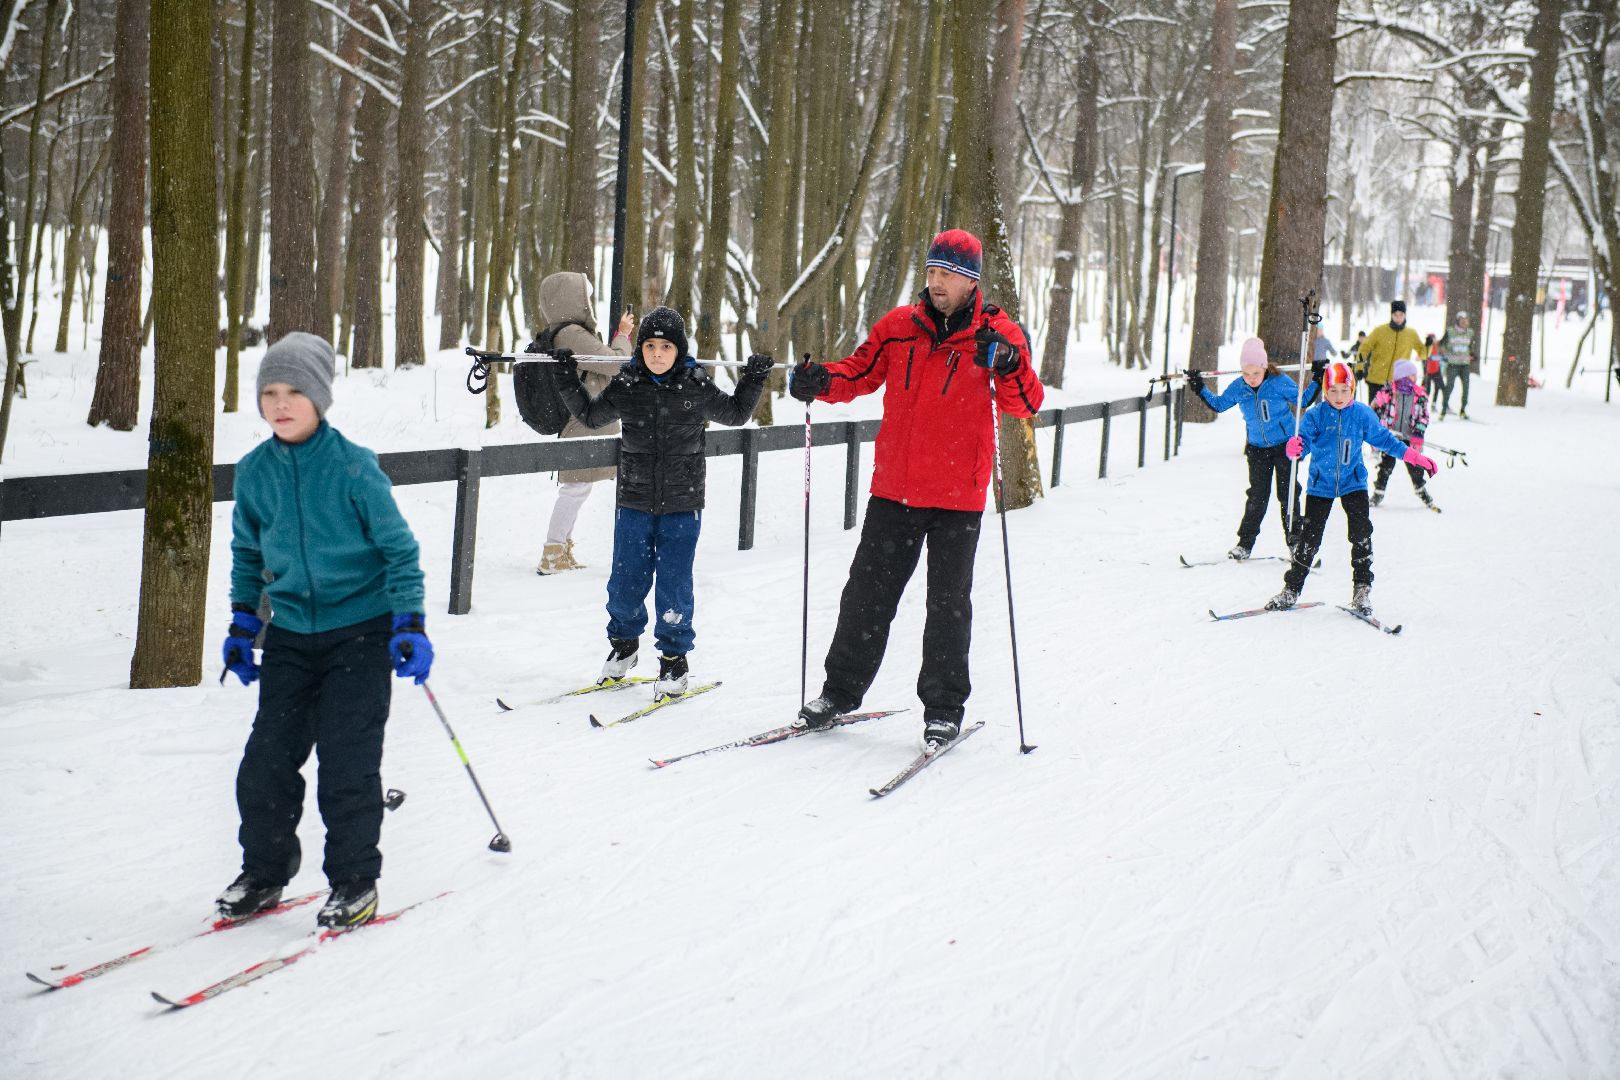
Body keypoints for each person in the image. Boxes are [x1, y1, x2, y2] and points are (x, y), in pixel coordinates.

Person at [787, 228, 1046, 750]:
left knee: (948, 607)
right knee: (865, 598)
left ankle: (944, 710)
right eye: (931, 272)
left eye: (947, 274)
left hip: (958, 497)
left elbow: (1026, 403)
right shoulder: (899, 327)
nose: (936, 283)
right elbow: (856, 374)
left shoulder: (997, 337)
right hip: (895, 491)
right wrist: (819, 381)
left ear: (971, 281)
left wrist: (1010, 365)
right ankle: (838, 694)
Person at [218, 332, 430, 930]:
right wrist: (241, 621)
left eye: (294, 392)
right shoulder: (255, 473)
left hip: (360, 635)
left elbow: (400, 552)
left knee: (347, 762)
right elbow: (247, 553)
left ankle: (354, 880)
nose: (280, 404)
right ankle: (264, 872)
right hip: (289, 636)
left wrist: (409, 622)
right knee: (266, 763)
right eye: (269, 393)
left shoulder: (352, 467)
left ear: (320, 397)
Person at [551, 306, 771, 697]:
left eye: (665, 347)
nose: (656, 353)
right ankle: (624, 646)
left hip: (682, 505)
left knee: (673, 585)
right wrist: (567, 378)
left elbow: (736, 414)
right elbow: (588, 415)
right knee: (625, 583)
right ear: (640, 349)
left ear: (678, 349)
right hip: (633, 501)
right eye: (649, 345)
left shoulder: (695, 386)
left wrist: (753, 379)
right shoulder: (626, 385)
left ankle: (673, 660)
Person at [1266, 361, 1435, 616]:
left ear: (1352, 390)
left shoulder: (1362, 415)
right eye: (1333, 391)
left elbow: (1387, 441)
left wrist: (1415, 457)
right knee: (1309, 539)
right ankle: (1291, 588)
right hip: (1320, 485)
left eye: (1344, 390)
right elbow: (1304, 445)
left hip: (1353, 482)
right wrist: (1295, 450)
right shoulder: (1315, 415)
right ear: (1325, 391)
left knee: (1361, 534)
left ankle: (1362, 589)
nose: (1339, 396)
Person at [530, 272, 635, 575]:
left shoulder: (565, 332)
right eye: (585, 296)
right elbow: (614, 363)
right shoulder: (571, 334)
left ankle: (561, 548)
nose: (588, 302)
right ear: (572, 300)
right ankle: (552, 551)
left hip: (581, 418)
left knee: (580, 486)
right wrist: (623, 338)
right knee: (575, 488)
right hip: (580, 419)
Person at [1187, 336, 1322, 559]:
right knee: (1257, 497)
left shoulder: (1279, 381)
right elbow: (1219, 405)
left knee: (1288, 494)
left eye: (1255, 373)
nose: (1251, 378)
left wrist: (1318, 376)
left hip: (1285, 447)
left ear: (1264, 367)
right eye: (1246, 373)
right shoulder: (1239, 387)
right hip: (1257, 449)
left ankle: (1295, 542)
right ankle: (1245, 544)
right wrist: (1199, 387)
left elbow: (1304, 400)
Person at [1371, 357, 1436, 510]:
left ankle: (1421, 490)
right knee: (1386, 466)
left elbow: (1424, 416)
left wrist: (1418, 432)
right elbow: (1373, 409)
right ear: (1403, 376)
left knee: (1415, 466)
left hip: (1409, 438)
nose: (1415, 378)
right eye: (1413, 375)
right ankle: (1378, 492)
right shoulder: (1388, 392)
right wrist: (1379, 407)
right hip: (1390, 437)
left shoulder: (1419, 395)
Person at [1357, 300, 1425, 404]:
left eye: (1401, 315)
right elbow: (1364, 348)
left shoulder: (1411, 334)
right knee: (1374, 414)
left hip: (1398, 383)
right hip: (1376, 381)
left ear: (1405, 315)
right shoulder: (1379, 331)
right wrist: (1359, 367)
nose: (1398, 318)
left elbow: (1422, 350)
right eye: (1395, 315)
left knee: (1392, 416)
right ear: (1391, 315)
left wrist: (1427, 347)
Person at [1437, 311, 1476, 419]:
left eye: (1466, 321)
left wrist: (1473, 354)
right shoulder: (1450, 332)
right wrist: (1443, 353)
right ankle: (1444, 409)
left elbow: (1471, 346)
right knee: (1450, 386)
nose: (1464, 323)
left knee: (1466, 387)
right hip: (1453, 365)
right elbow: (1441, 344)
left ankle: (1463, 410)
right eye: (1462, 321)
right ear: (1458, 321)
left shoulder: (1470, 333)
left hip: (1465, 365)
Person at [1422, 331, 1445, 400]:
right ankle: (1422, 405)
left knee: (1441, 387)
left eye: (1433, 338)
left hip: (1436, 371)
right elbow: (1422, 359)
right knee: (1426, 390)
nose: (1432, 340)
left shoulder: (1438, 345)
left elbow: (1442, 355)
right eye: (1431, 338)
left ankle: (1437, 404)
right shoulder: (1425, 347)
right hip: (1428, 373)